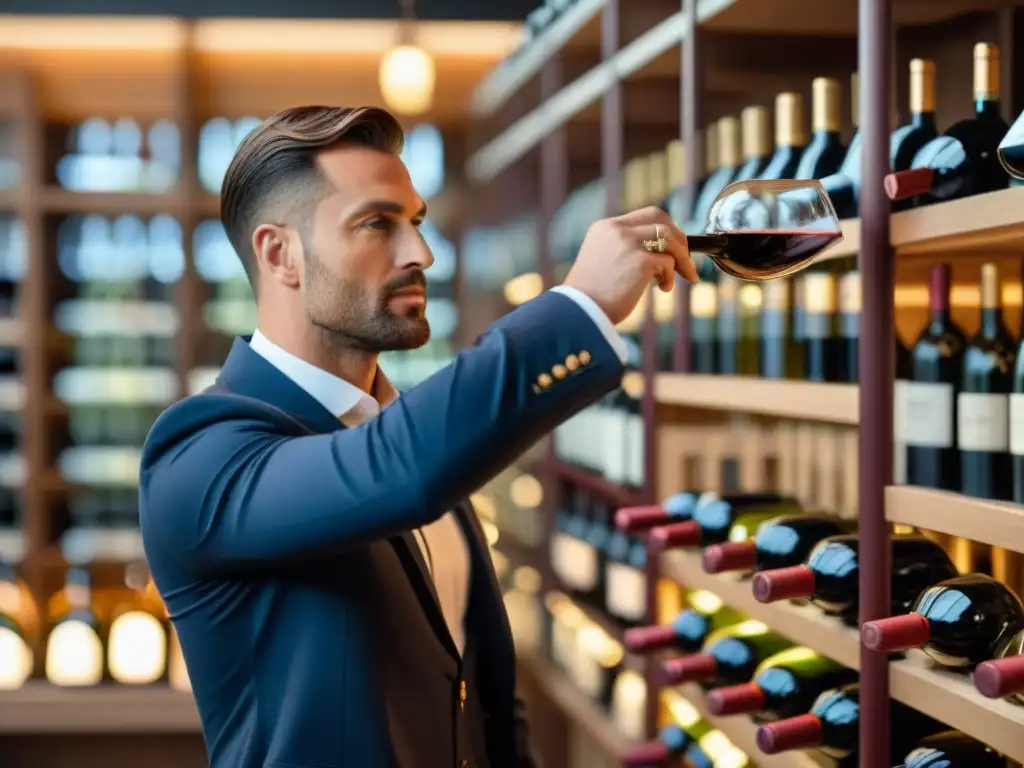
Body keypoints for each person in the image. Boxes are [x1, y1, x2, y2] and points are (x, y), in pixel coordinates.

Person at [139, 105, 696, 768]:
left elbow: (477, 688)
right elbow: (396, 469)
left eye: (417, 223)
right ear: (278, 253)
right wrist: (580, 308)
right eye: (377, 223)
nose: (421, 254)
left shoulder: (399, 430)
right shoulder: (200, 455)